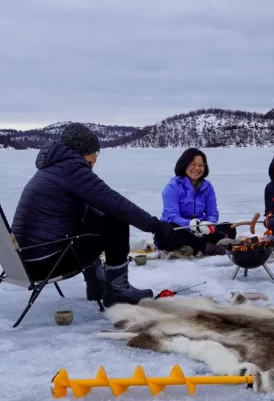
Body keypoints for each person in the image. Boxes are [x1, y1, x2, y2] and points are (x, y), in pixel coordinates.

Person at [11, 122, 178, 308]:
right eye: (96, 153)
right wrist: (155, 225)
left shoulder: (53, 168)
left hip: (23, 262)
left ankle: (97, 284)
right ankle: (118, 289)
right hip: (46, 263)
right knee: (116, 219)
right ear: (86, 151)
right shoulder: (72, 170)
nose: (96, 159)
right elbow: (116, 204)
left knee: (94, 215)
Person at [156, 148, 235, 256]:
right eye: (193, 164)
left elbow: (212, 212)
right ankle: (207, 248)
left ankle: (190, 247)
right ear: (184, 165)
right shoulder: (172, 187)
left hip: (201, 230)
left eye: (201, 165)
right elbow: (171, 216)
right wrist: (192, 225)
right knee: (165, 233)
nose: (197, 168)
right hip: (180, 229)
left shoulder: (207, 187)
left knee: (229, 227)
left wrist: (208, 225)